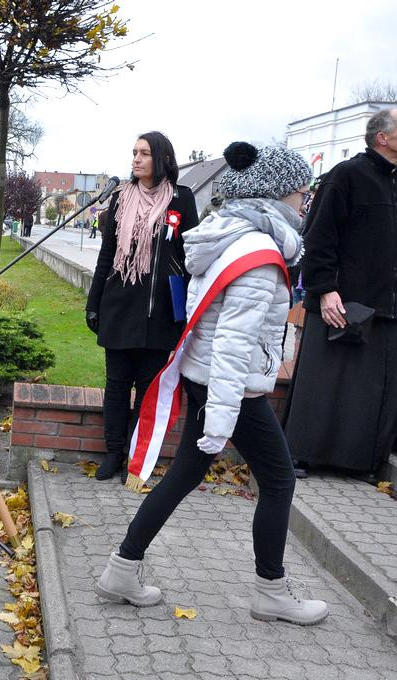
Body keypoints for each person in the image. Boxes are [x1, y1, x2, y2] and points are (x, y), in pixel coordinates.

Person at [95, 141, 329, 626]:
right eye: (302, 192)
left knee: (184, 475)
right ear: (278, 193)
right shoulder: (260, 254)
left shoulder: (225, 233)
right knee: (280, 479)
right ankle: (272, 591)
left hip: (208, 380)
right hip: (232, 388)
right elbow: (232, 344)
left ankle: (122, 569)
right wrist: (222, 420)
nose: (305, 202)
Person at [285, 109, 397, 483]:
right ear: (382, 137)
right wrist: (324, 290)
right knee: (324, 383)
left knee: (371, 391)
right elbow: (318, 236)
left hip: (385, 305)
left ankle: (361, 461)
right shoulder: (347, 175)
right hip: (341, 302)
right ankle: (301, 454)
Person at [85, 132, 199, 480]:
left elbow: (192, 257)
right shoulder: (120, 198)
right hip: (120, 306)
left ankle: (137, 456)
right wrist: (94, 304)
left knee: (149, 388)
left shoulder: (181, 199)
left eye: (144, 153)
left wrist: (189, 308)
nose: (136, 159)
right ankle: (113, 452)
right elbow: (107, 255)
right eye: (134, 152)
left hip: (161, 312)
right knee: (117, 385)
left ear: (161, 158)